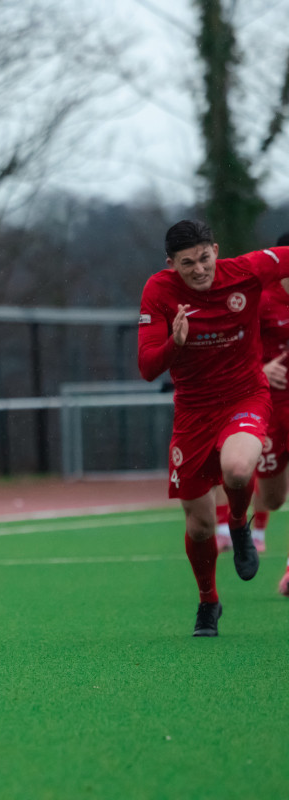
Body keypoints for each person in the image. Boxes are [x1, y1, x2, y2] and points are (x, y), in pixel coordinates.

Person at [137, 219, 289, 636]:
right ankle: (208, 602)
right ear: (171, 264)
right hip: (193, 412)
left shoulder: (246, 271)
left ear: (216, 251)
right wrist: (175, 343)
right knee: (199, 525)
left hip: (245, 396)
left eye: (205, 258)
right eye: (188, 263)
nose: (199, 269)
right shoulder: (159, 291)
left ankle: (238, 522)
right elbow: (147, 367)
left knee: (238, 470)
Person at [253, 231, 289, 595]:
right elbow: (233, 352)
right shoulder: (261, 300)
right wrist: (261, 370)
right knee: (275, 498)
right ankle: (241, 526)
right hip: (270, 406)